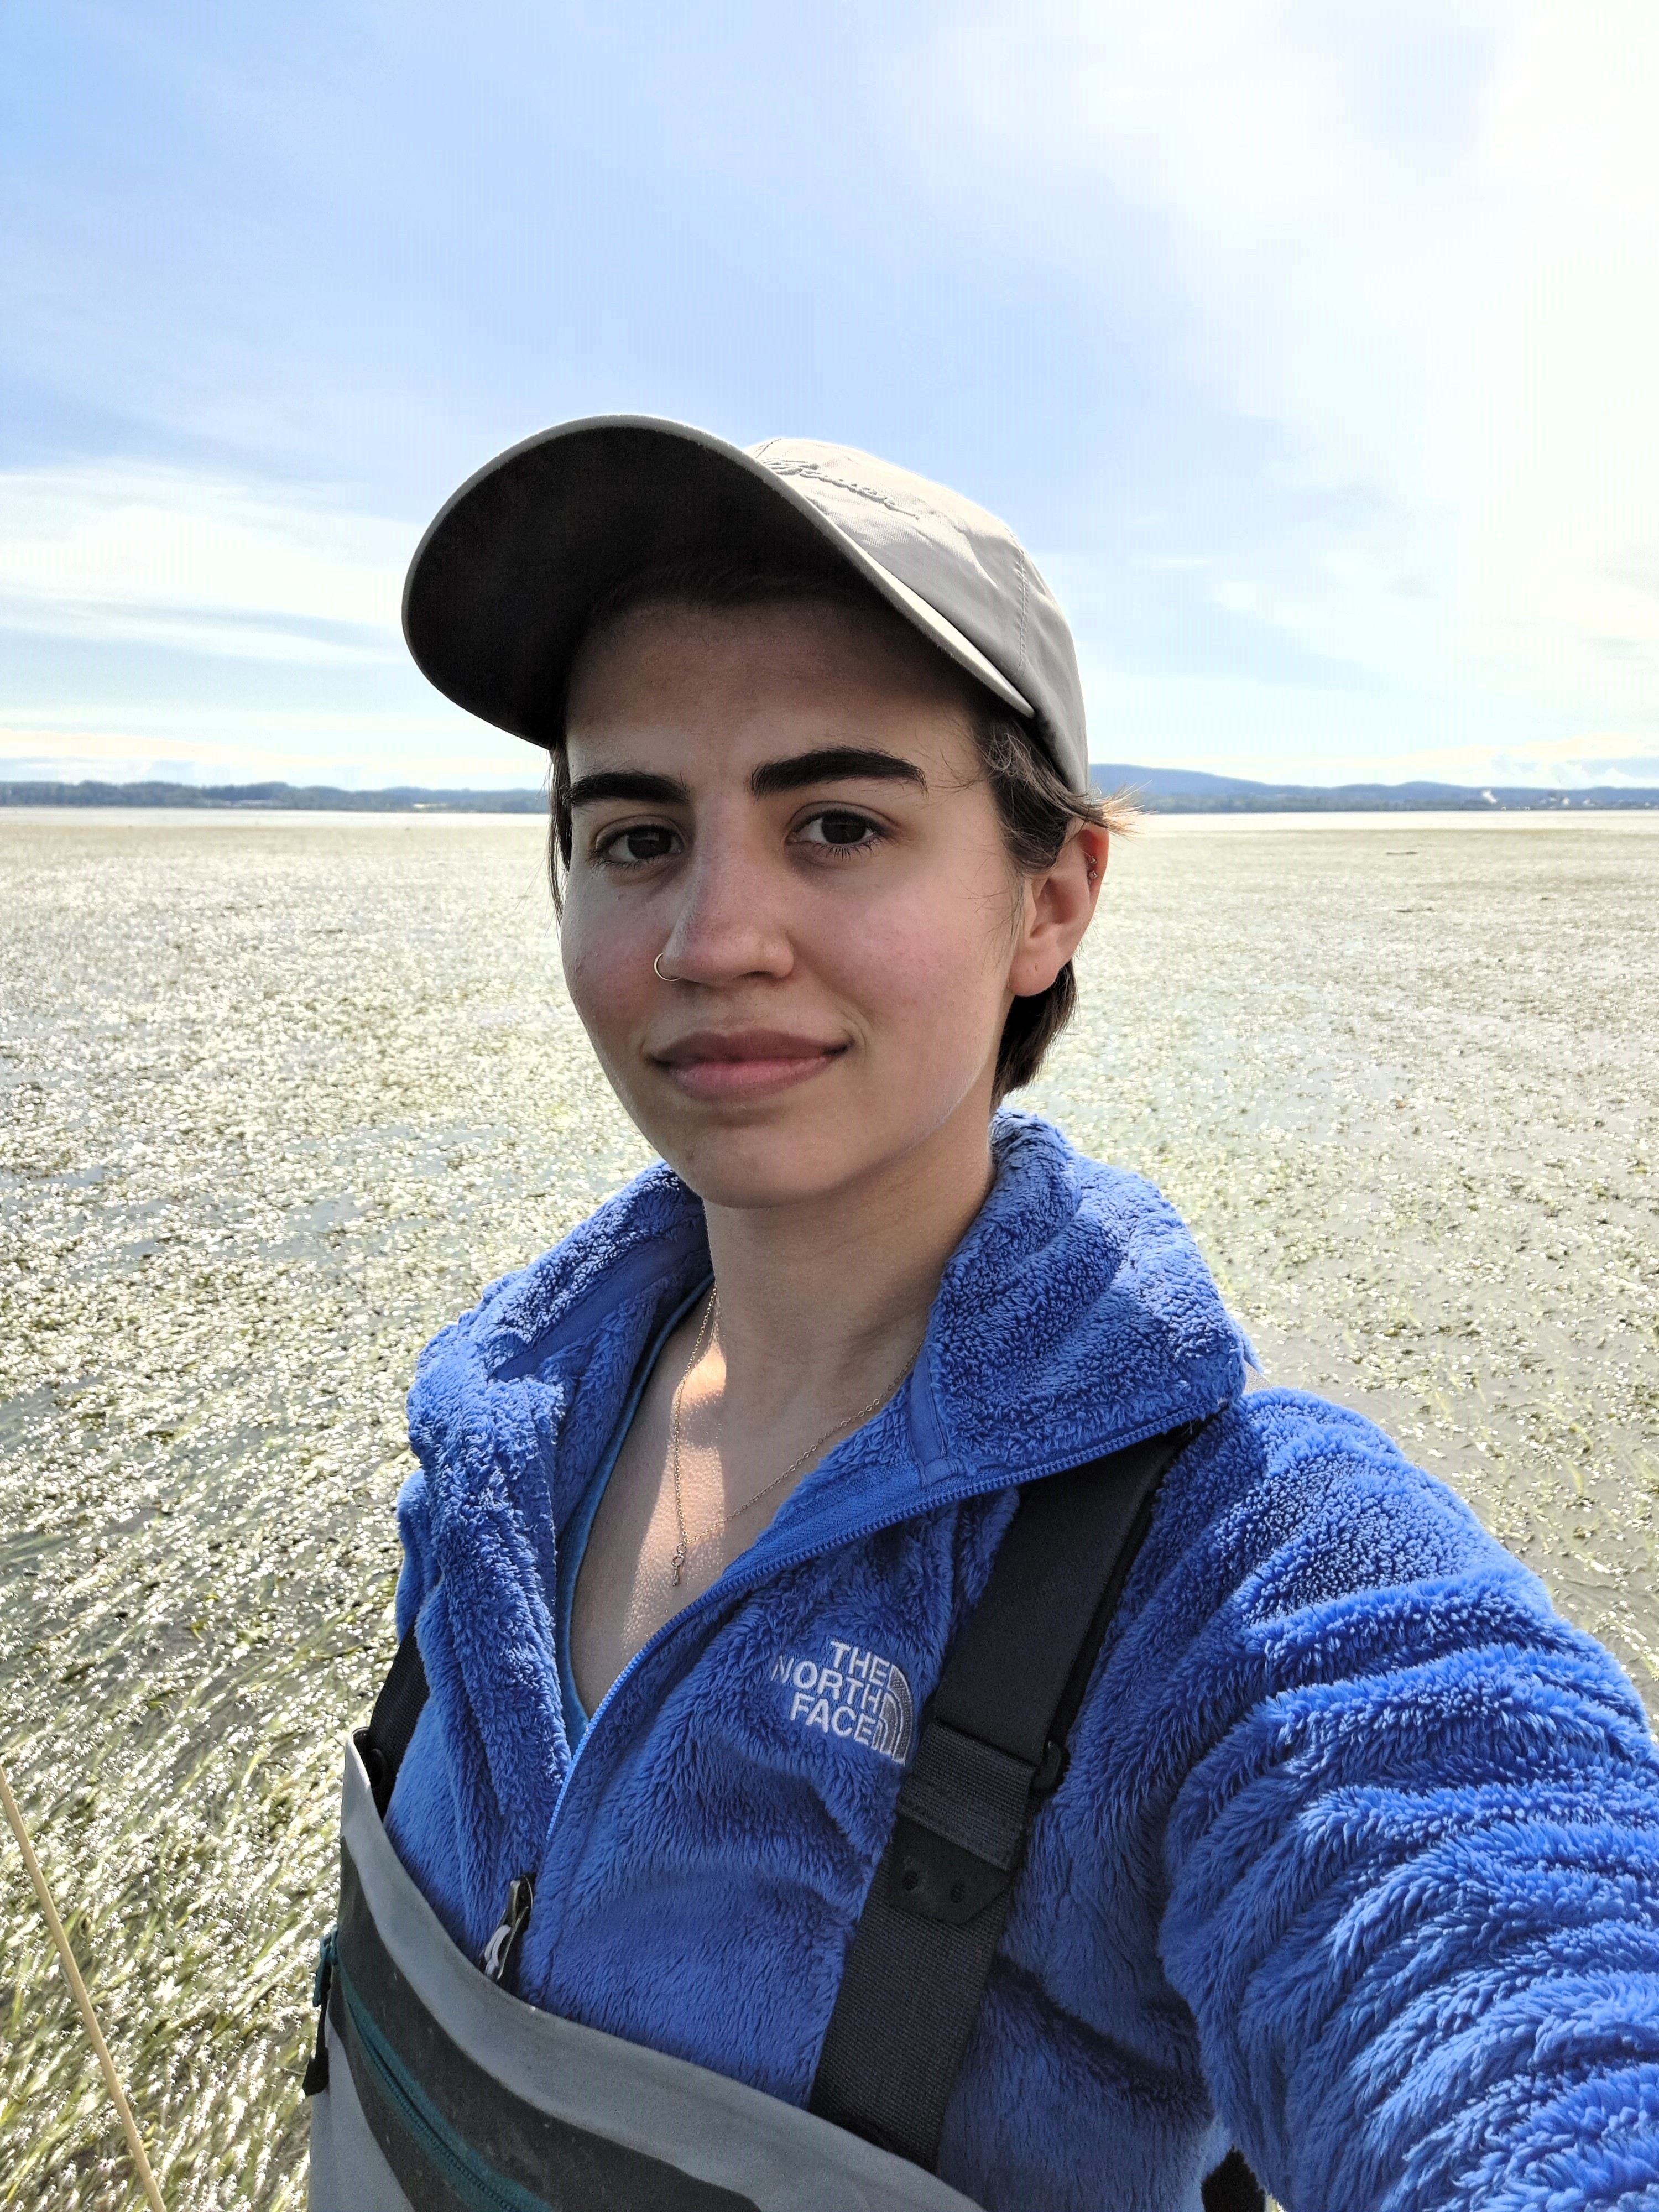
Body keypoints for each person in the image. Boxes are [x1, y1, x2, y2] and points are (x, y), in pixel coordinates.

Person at [305, 418, 1659, 2212]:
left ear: (1051, 898)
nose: (713, 936)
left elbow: (1510, 1956)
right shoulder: (503, 1431)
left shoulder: (1225, 1585)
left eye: (838, 824)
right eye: (637, 836)